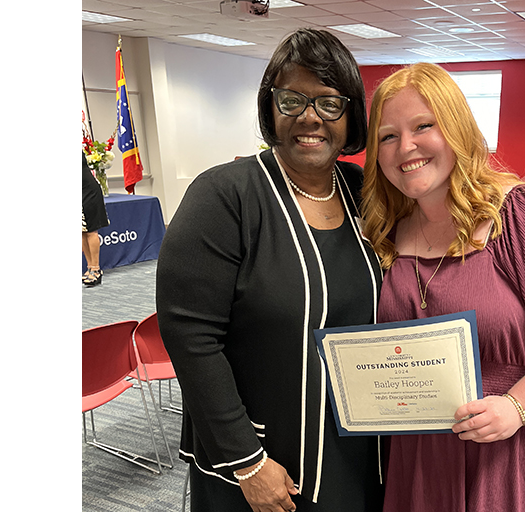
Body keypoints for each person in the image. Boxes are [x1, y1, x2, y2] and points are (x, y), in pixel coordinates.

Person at [360, 62, 525, 511]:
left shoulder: (523, 215)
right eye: (387, 135)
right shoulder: (384, 231)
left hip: (506, 444)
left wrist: (515, 408)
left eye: (424, 126)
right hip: (416, 452)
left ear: (458, 130)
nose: (406, 147)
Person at [156, 28, 383, 512]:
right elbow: (191, 337)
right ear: (270, 107)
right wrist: (247, 461)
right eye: (291, 99)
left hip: (355, 443)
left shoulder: (363, 190)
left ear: (350, 115)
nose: (309, 117)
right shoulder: (224, 197)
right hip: (264, 459)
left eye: (328, 103)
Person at [82, 153, 109, 286]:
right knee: (81, 232)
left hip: (89, 192)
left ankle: (96, 269)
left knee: (91, 230)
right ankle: (89, 267)